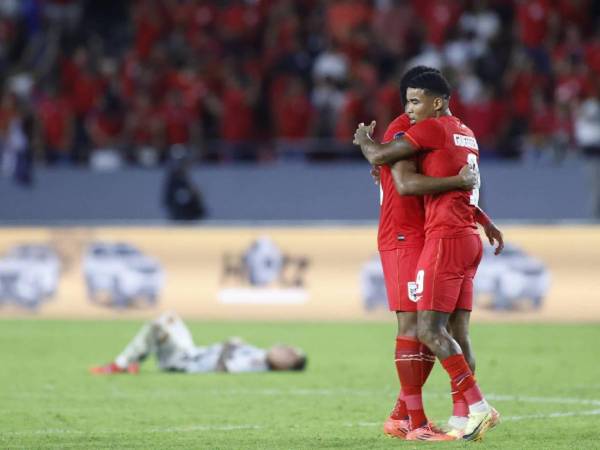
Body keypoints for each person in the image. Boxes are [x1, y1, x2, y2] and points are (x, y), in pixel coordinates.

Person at [354, 70, 501, 441]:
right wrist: (369, 147)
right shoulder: (421, 128)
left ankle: (450, 416)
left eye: (415, 101)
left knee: (438, 330)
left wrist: (365, 143)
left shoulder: (433, 128)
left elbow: (425, 177)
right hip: (405, 235)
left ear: (436, 101)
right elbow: (403, 182)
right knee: (418, 329)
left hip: (436, 234)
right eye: (408, 101)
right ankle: (413, 421)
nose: (409, 108)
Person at [90, 312, 307, 374]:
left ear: (285, 367)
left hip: (185, 363)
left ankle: (121, 364)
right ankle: (132, 362)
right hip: (192, 353)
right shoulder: (260, 353)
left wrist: (227, 347)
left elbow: (223, 368)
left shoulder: (257, 366)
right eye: (286, 349)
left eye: (288, 356)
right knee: (169, 318)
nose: (282, 351)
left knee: (160, 324)